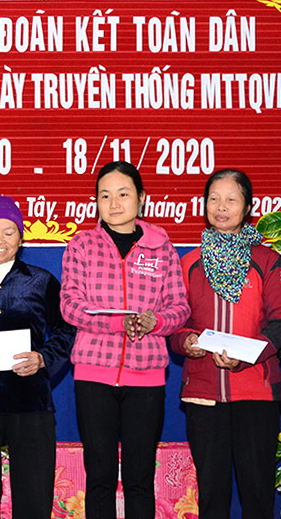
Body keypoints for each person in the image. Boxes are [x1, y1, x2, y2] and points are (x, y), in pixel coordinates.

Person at [60, 161, 190, 519]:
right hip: (93, 375)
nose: (114, 203)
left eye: (123, 194)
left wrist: (154, 321)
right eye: (105, 196)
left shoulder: (162, 248)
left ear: (141, 198)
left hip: (146, 377)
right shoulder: (81, 244)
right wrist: (120, 322)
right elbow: (69, 305)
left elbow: (179, 307)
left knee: (139, 479)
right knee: (99, 477)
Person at [169, 169, 281, 519]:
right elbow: (175, 322)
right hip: (203, 393)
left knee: (257, 493)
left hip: (257, 393)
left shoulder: (267, 261)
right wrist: (185, 341)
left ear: (247, 207)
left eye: (231, 199)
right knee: (212, 494)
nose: (221, 207)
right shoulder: (189, 262)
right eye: (214, 199)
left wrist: (245, 357)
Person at [0, 196, 75, 519]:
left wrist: (43, 358)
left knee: (34, 499)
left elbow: (66, 330)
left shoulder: (41, 281)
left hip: (30, 404)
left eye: (9, 232)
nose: (0, 239)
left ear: (21, 239)